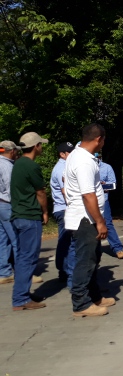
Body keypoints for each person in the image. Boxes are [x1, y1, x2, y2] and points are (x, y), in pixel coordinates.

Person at [65, 124, 116, 317]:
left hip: (86, 217)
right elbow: (88, 195)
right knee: (85, 261)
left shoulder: (79, 157)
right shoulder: (84, 162)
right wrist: (100, 221)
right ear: (99, 139)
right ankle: (80, 303)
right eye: (104, 140)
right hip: (84, 219)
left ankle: (94, 296)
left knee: (94, 259)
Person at [10, 132, 49, 311]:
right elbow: (40, 192)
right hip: (29, 215)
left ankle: (22, 293)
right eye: (41, 145)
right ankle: (20, 298)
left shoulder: (17, 164)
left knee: (22, 256)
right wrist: (45, 212)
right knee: (29, 257)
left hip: (17, 215)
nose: (42, 147)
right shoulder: (31, 166)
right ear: (35, 147)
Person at [51, 142, 75, 281]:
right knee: (67, 242)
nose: (72, 154)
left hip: (63, 209)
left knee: (65, 241)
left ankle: (64, 271)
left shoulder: (65, 166)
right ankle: (65, 272)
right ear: (62, 154)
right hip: (65, 209)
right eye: (69, 152)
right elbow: (65, 191)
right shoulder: (61, 169)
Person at [97, 154, 123, 259]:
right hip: (87, 201)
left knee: (107, 223)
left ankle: (117, 248)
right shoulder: (82, 166)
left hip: (103, 200)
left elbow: (113, 184)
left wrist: (104, 185)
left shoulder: (106, 167)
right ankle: (94, 251)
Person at [0, 141, 20, 286]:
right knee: (16, 239)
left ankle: (4, 272)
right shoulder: (7, 166)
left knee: (3, 240)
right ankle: (22, 272)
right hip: (7, 205)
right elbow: (10, 187)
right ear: (11, 151)